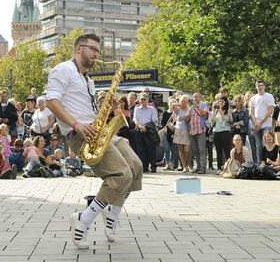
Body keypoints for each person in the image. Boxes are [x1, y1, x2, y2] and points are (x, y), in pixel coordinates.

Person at [45, 33, 142, 248]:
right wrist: (76, 124)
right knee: (120, 174)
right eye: (93, 49)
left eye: (98, 51)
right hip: (81, 135)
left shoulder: (88, 80)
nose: (97, 55)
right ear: (78, 48)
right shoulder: (63, 69)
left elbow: (89, 111)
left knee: (136, 167)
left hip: (99, 131)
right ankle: (83, 220)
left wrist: (111, 109)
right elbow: (51, 101)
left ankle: (112, 212)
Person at [133, 92, 159, 173]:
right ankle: (144, 166)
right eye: (142, 99)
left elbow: (154, 120)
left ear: (148, 100)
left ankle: (153, 166)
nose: (143, 101)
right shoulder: (137, 108)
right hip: (139, 130)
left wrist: (146, 127)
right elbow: (135, 119)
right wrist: (140, 126)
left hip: (149, 131)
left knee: (151, 149)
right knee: (141, 149)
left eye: (145, 99)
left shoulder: (152, 109)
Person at [249, 80, 275, 157]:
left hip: (266, 124)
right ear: (256, 87)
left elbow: (270, 111)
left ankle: (267, 162)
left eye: (261, 85)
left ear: (264, 86)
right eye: (258, 85)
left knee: (265, 144)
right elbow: (251, 112)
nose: (260, 87)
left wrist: (260, 123)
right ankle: (261, 163)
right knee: (259, 146)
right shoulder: (253, 98)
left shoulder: (269, 96)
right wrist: (255, 124)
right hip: (256, 125)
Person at [188, 92, 208, 174]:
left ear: (200, 97)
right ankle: (198, 166)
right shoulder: (191, 107)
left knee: (202, 150)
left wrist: (196, 105)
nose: (195, 98)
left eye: (196, 97)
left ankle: (203, 167)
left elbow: (204, 113)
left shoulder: (204, 105)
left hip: (200, 130)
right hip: (192, 131)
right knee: (195, 150)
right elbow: (187, 118)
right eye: (193, 97)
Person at [212, 95, 233, 173]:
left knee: (227, 150)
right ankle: (219, 168)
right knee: (218, 150)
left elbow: (225, 120)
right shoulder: (217, 110)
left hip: (225, 131)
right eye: (219, 101)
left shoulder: (228, 110)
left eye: (222, 101)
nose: (220, 103)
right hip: (216, 131)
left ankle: (227, 167)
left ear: (225, 102)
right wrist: (214, 113)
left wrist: (221, 113)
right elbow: (213, 121)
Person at [174, 95, 192, 172]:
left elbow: (187, 120)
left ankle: (190, 166)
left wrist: (187, 115)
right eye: (182, 101)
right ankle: (185, 167)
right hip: (178, 129)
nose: (183, 103)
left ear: (187, 102)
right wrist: (179, 104)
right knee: (181, 150)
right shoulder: (178, 109)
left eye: (185, 101)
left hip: (187, 130)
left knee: (187, 150)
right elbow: (173, 105)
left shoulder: (190, 109)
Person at [161, 97, 179, 171]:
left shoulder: (177, 113)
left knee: (173, 149)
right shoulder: (165, 112)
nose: (172, 104)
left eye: (173, 102)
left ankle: (172, 163)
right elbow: (162, 122)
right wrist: (164, 127)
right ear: (168, 103)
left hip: (174, 133)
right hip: (166, 133)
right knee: (167, 148)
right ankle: (167, 163)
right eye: (170, 102)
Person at [243, 92, 257, 162]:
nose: (250, 98)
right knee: (252, 148)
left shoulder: (257, 108)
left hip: (257, 128)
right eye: (248, 96)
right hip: (249, 130)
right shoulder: (245, 109)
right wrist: (251, 130)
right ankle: (253, 162)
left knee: (259, 147)